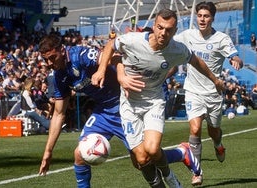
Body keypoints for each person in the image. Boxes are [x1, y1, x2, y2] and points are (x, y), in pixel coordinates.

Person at [38, 34, 202, 188]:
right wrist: (48, 152)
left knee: (142, 161)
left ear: (61, 50)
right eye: (46, 60)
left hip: (126, 105)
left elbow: (115, 57)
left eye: (53, 58)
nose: (50, 63)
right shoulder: (58, 76)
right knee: (80, 153)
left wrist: (114, 74)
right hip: (103, 111)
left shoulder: (79, 55)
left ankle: (182, 153)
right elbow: (59, 114)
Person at [91, 8, 224, 188]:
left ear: (175, 31)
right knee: (140, 159)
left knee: (152, 149)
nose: (163, 32)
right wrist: (101, 70)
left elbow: (196, 61)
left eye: (169, 29)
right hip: (129, 105)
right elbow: (111, 45)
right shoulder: (133, 40)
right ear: (154, 26)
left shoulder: (177, 50)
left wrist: (215, 80)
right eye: (160, 27)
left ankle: (170, 178)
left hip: (154, 102)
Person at [173, 1, 243, 185]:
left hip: (213, 93)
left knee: (214, 131)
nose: (202, 19)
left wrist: (236, 60)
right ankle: (197, 172)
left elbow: (234, 56)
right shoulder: (187, 35)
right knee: (195, 129)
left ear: (212, 18)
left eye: (206, 16)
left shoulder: (221, 38)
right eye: (200, 15)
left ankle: (218, 145)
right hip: (193, 91)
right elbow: (169, 42)